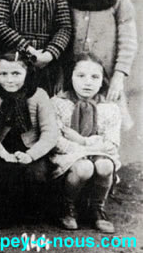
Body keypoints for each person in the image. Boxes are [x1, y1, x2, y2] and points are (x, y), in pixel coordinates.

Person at [0, 50, 58, 226]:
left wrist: (31, 154)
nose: (9, 79)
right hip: (0, 147)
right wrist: (1, 152)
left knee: (35, 174)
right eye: (3, 74)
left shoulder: (38, 95)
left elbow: (50, 133)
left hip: (31, 148)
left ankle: (28, 215)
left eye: (16, 73)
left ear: (27, 72)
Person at [69, 0, 137, 129]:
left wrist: (119, 76)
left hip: (105, 76)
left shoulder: (119, 0)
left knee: (106, 122)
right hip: (70, 73)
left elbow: (128, 42)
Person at [50, 55, 121, 233]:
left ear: (102, 80)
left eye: (94, 77)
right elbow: (56, 140)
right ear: (71, 76)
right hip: (67, 154)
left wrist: (83, 142)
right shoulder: (58, 103)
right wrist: (85, 149)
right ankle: (68, 207)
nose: (87, 82)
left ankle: (97, 208)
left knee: (105, 165)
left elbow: (111, 143)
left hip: (97, 154)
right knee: (85, 167)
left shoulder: (110, 108)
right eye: (81, 76)